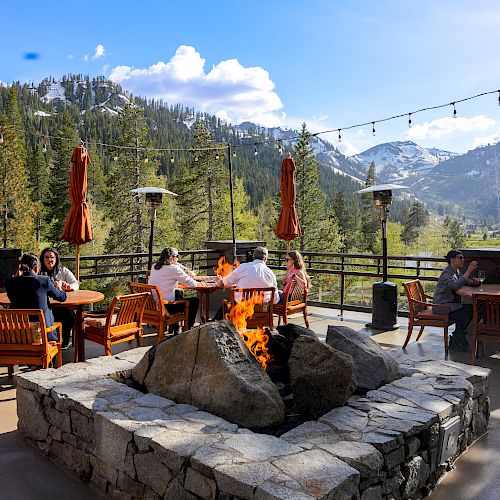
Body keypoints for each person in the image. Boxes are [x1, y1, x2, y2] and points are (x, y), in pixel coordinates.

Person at [6, 253, 67, 342]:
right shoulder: (44, 280)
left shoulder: (9, 282)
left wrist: (16, 276)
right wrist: (59, 287)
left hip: (19, 336)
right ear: (36, 268)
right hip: (43, 336)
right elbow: (62, 297)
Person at [433, 250, 480, 351]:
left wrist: (474, 282)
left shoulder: (455, 272)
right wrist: (469, 271)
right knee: (466, 312)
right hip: (441, 307)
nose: (463, 260)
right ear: (452, 260)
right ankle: (458, 338)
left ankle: (457, 337)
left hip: (451, 305)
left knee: (471, 309)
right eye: (460, 257)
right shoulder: (446, 274)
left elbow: (463, 280)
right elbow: (455, 285)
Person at [148, 247, 200, 331]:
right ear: (172, 257)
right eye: (177, 256)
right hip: (166, 306)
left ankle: (174, 325)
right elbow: (192, 284)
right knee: (194, 301)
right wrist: (191, 277)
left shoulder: (155, 266)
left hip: (153, 303)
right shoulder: (174, 269)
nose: (178, 258)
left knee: (178, 292)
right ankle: (187, 328)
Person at [40, 247, 78, 349]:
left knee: (69, 316)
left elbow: (75, 283)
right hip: (45, 305)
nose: (49, 260)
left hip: (61, 303)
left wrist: (69, 286)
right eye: (46, 257)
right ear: (42, 259)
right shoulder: (38, 272)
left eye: (52, 257)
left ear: (56, 259)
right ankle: (53, 340)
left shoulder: (63, 270)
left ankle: (64, 341)